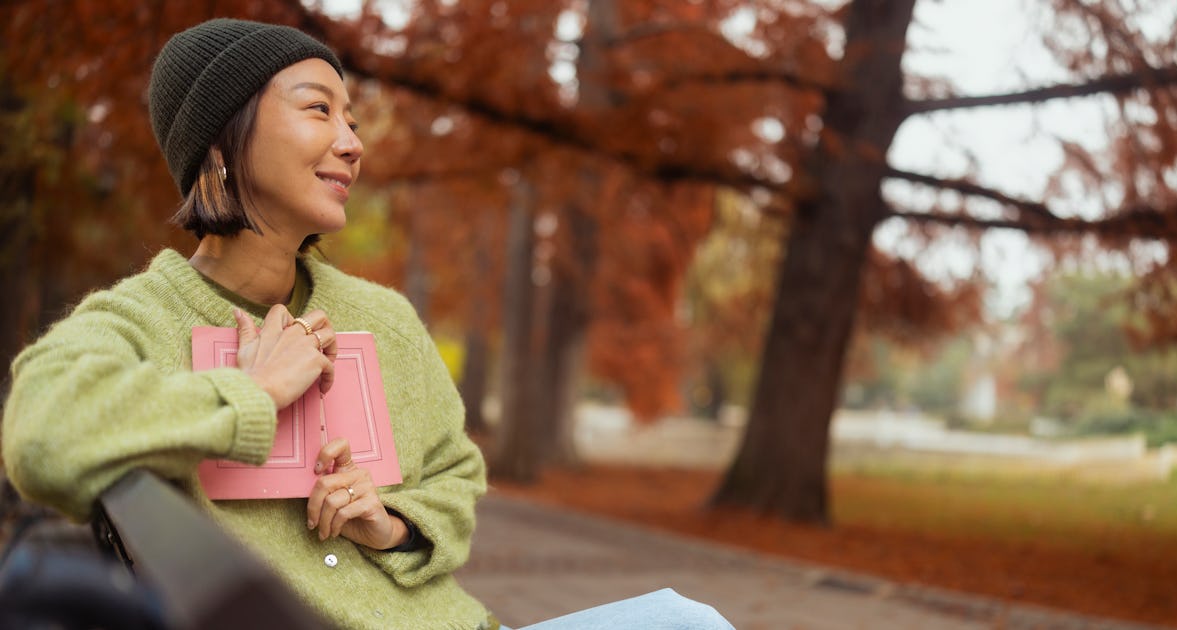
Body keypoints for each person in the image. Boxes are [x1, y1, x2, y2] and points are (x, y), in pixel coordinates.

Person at [1, 17, 733, 630]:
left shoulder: (382, 317)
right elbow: (40, 436)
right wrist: (247, 395)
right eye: (319, 110)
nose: (353, 142)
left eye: (351, 119)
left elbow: (456, 470)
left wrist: (389, 522)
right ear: (222, 143)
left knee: (686, 618)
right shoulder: (142, 318)